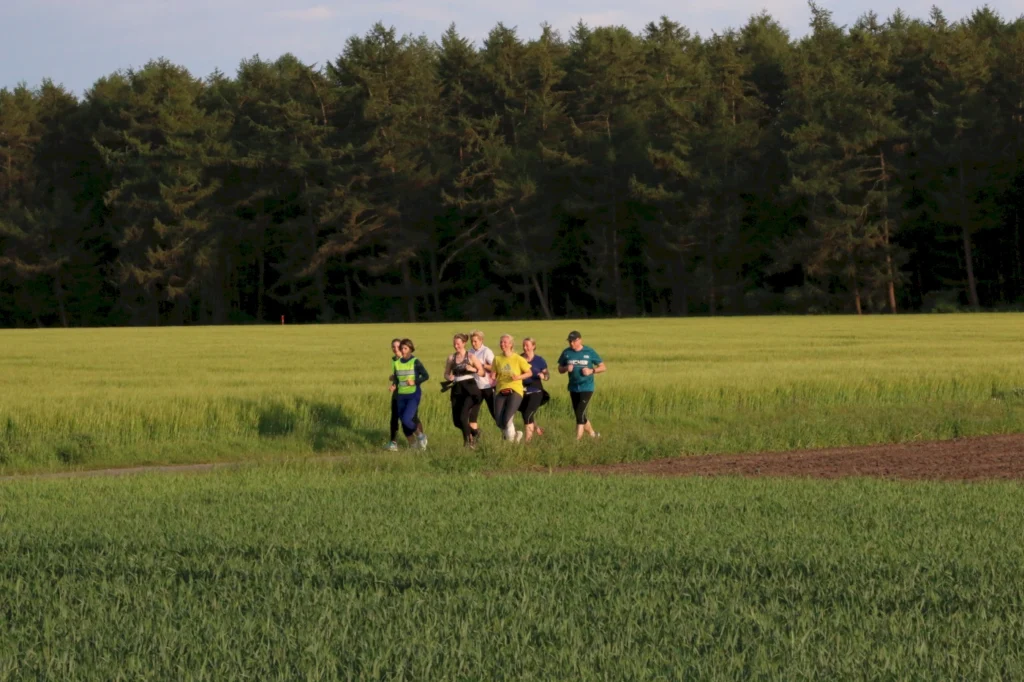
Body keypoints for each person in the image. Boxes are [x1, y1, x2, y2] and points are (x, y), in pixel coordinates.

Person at [557, 330, 606, 440]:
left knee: (579, 413)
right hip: (573, 387)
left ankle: (577, 440)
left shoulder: (589, 351)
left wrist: (591, 371)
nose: (571, 343)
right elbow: (560, 369)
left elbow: (603, 367)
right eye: (569, 341)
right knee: (580, 414)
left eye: (573, 341)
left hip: (587, 387)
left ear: (579, 340)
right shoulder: (566, 352)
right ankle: (593, 434)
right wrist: (565, 368)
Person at [443, 333, 485, 447]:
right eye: (454, 344)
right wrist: (449, 377)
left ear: (464, 343)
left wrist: (473, 369)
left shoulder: (471, 357)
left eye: (458, 344)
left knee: (463, 417)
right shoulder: (451, 358)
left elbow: (482, 372)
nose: (456, 346)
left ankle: (468, 443)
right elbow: (446, 373)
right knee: (457, 422)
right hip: (457, 389)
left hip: (470, 390)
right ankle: (476, 433)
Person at [389, 338, 430, 449]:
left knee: (407, 419)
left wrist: (415, 382)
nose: (403, 350)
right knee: (403, 421)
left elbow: (426, 376)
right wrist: (394, 385)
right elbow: (397, 378)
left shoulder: (415, 361)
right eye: (402, 348)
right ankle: (414, 445)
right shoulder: (397, 363)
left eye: (405, 348)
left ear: (411, 349)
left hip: (413, 394)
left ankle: (421, 436)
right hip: (401, 395)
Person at [492, 334, 532, 442]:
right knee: (498, 421)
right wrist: (492, 377)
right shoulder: (497, 359)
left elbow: (529, 373)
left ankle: (510, 444)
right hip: (501, 390)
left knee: (507, 418)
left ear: (510, 344)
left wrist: (518, 377)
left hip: (515, 390)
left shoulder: (518, 358)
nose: (502, 344)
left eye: (505, 342)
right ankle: (515, 435)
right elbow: (494, 373)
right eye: (501, 342)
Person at [518, 337, 549, 442]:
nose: (525, 347)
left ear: (533, 346)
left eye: (527, 345)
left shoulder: (539, 360)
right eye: (523, 345)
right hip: (522, 390)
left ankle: (528, 442)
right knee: (525, 414)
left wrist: (543, 376)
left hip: (536, 390)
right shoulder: (519, 358)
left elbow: (547, 374)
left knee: (528, 414)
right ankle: (537, 428)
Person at [467, 330, 496, 438]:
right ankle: (474, 439)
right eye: (472, 341)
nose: (473, 343)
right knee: (472, 414)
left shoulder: (486, 351)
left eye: (475, 341)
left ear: (481, 340)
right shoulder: (469, 352)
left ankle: (507, 435)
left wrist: (480, 365)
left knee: (494, 413)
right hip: (475, 387)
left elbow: (494, 366)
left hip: (487, 386)